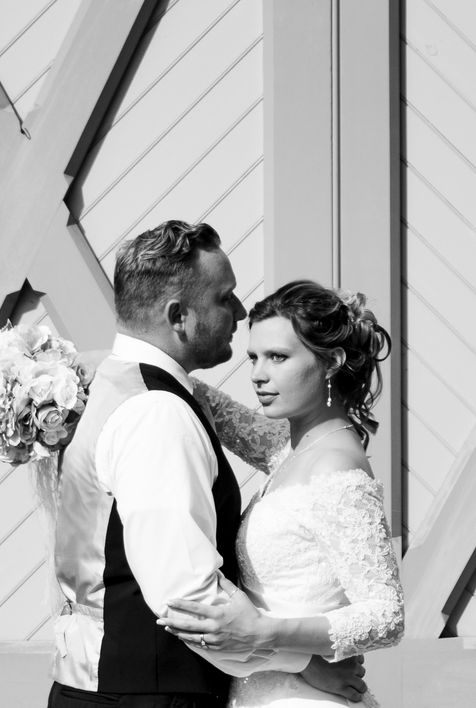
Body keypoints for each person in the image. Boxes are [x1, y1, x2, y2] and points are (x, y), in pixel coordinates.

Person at [47, 221, 365, 708]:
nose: (240, 311)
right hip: (149, 697)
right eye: (225, 297)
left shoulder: (110, 384)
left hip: (100, 685)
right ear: (179, 316)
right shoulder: (157, 412)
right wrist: (303, 662)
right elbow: (189, 599)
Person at [162, 280, 406, 707]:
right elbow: (208, 402)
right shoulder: (288, 448)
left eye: (278, 357)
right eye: (254, 357)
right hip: (260, 690)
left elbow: (387, 616)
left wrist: (265, 633)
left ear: (331, 362)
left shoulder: (336, 467)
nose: (258, 374)